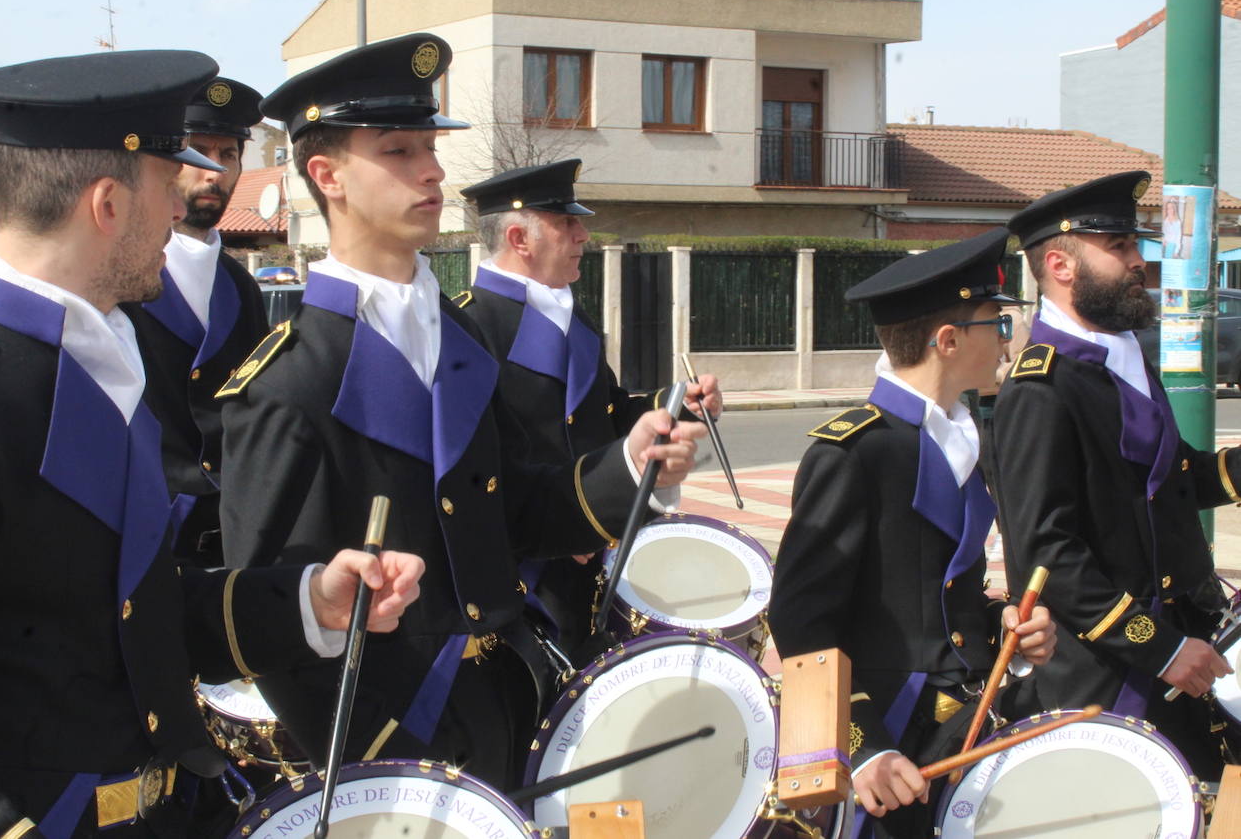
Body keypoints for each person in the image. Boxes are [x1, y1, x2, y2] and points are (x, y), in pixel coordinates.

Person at [0, 50, 424, 839]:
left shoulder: (94, 356)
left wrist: (310, 600)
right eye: (169, 186)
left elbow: (129, 614)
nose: (187, 214)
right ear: (106, 205)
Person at [217, 33, 706, 792]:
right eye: (400, 151)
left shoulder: (463, 337)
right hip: (394, 737)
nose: (433, 170)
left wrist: (629, 464)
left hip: (505, 698)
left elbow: (517, 507)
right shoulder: (289, 379)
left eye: (431, 148)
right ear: (327, 176)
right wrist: (382, 761)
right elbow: (272, 615)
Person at [769, 227, 1057, 838]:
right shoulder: (855, 453)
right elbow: (799, 623)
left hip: (965, 725)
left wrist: (1004, 624)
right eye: (996, 326)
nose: (1008, 343)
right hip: (890, 744)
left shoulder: (964, 437)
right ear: (948, 341)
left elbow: (940, 596)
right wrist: (862, 748)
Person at [989, 170, 1236, 780]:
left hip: (1182, 645)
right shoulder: (1040, 388)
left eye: (1134, 244)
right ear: (1061, 265)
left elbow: (1167, 484)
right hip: (1111, 671)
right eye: (1119, 247)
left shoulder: (1125, 353)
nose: (1137, 261)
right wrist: (1162, 647)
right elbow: (1049, 552)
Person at [455, 159, 721, 655]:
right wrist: (571, 522)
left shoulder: (568, 313)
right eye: (567, 223)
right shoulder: (470, 327)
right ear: (519, 239)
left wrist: (679, 405)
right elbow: (477, 470)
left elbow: (609, 412)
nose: (584, 235)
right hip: (525, 576)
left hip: (596, 553)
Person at [124, 77, 270, 566]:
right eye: (197, 151)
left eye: (228, 154)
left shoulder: (240, 287)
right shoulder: (118, 278)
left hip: (231, 535)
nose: (214, 171)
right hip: (139, 535)